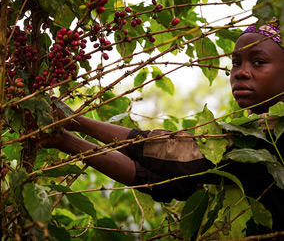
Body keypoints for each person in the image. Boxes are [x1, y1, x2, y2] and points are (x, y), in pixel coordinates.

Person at [45, 19, 284, 235]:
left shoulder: (271, 138)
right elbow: (165, 180)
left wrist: (74, 120)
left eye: (259, 62)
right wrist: (65, 140)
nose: (241, 72)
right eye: (235, 63)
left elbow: (184, 156)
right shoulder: (242, 134)